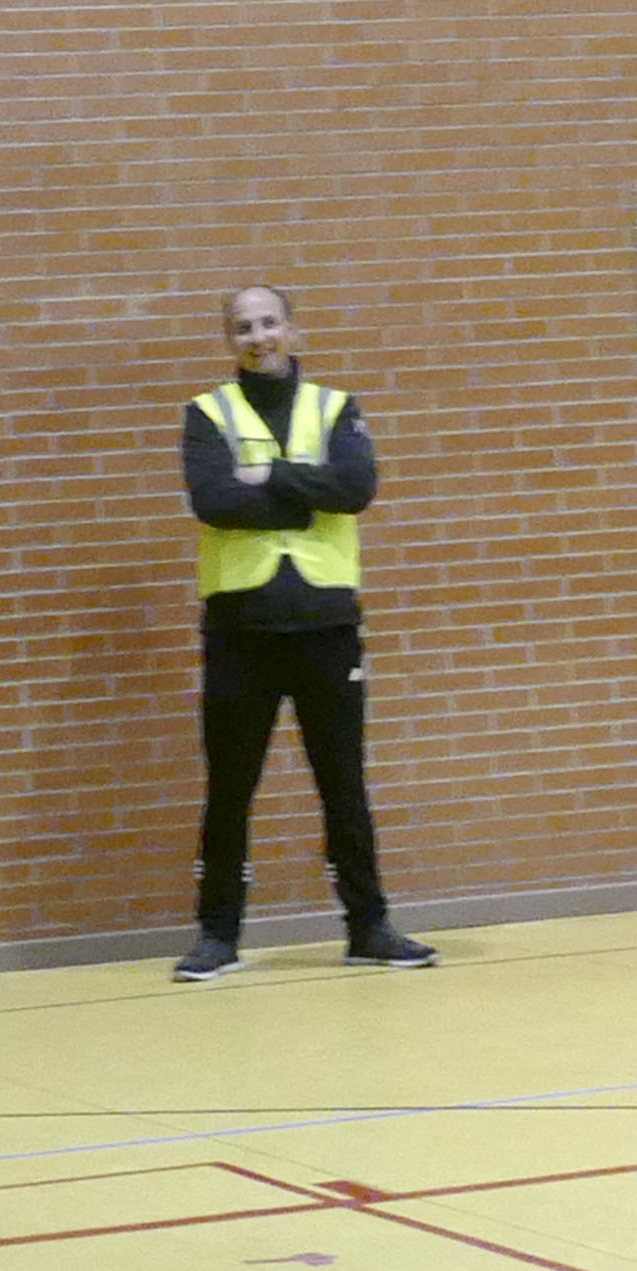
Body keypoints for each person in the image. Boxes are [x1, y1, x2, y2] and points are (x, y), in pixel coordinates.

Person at [178, 285, 437, 979]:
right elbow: (214, 500)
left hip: (326, 626)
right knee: (230, 788)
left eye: (268, 323)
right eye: (243, 327)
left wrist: (268, 475)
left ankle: (368, 927)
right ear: (229, 340)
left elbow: (354, 489)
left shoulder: (336, 407)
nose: (258, 336)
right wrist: (301, 499)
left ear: (293, 330)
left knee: (343, 782)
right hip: (241, 629)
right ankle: (217, 935)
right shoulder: (207, 413)